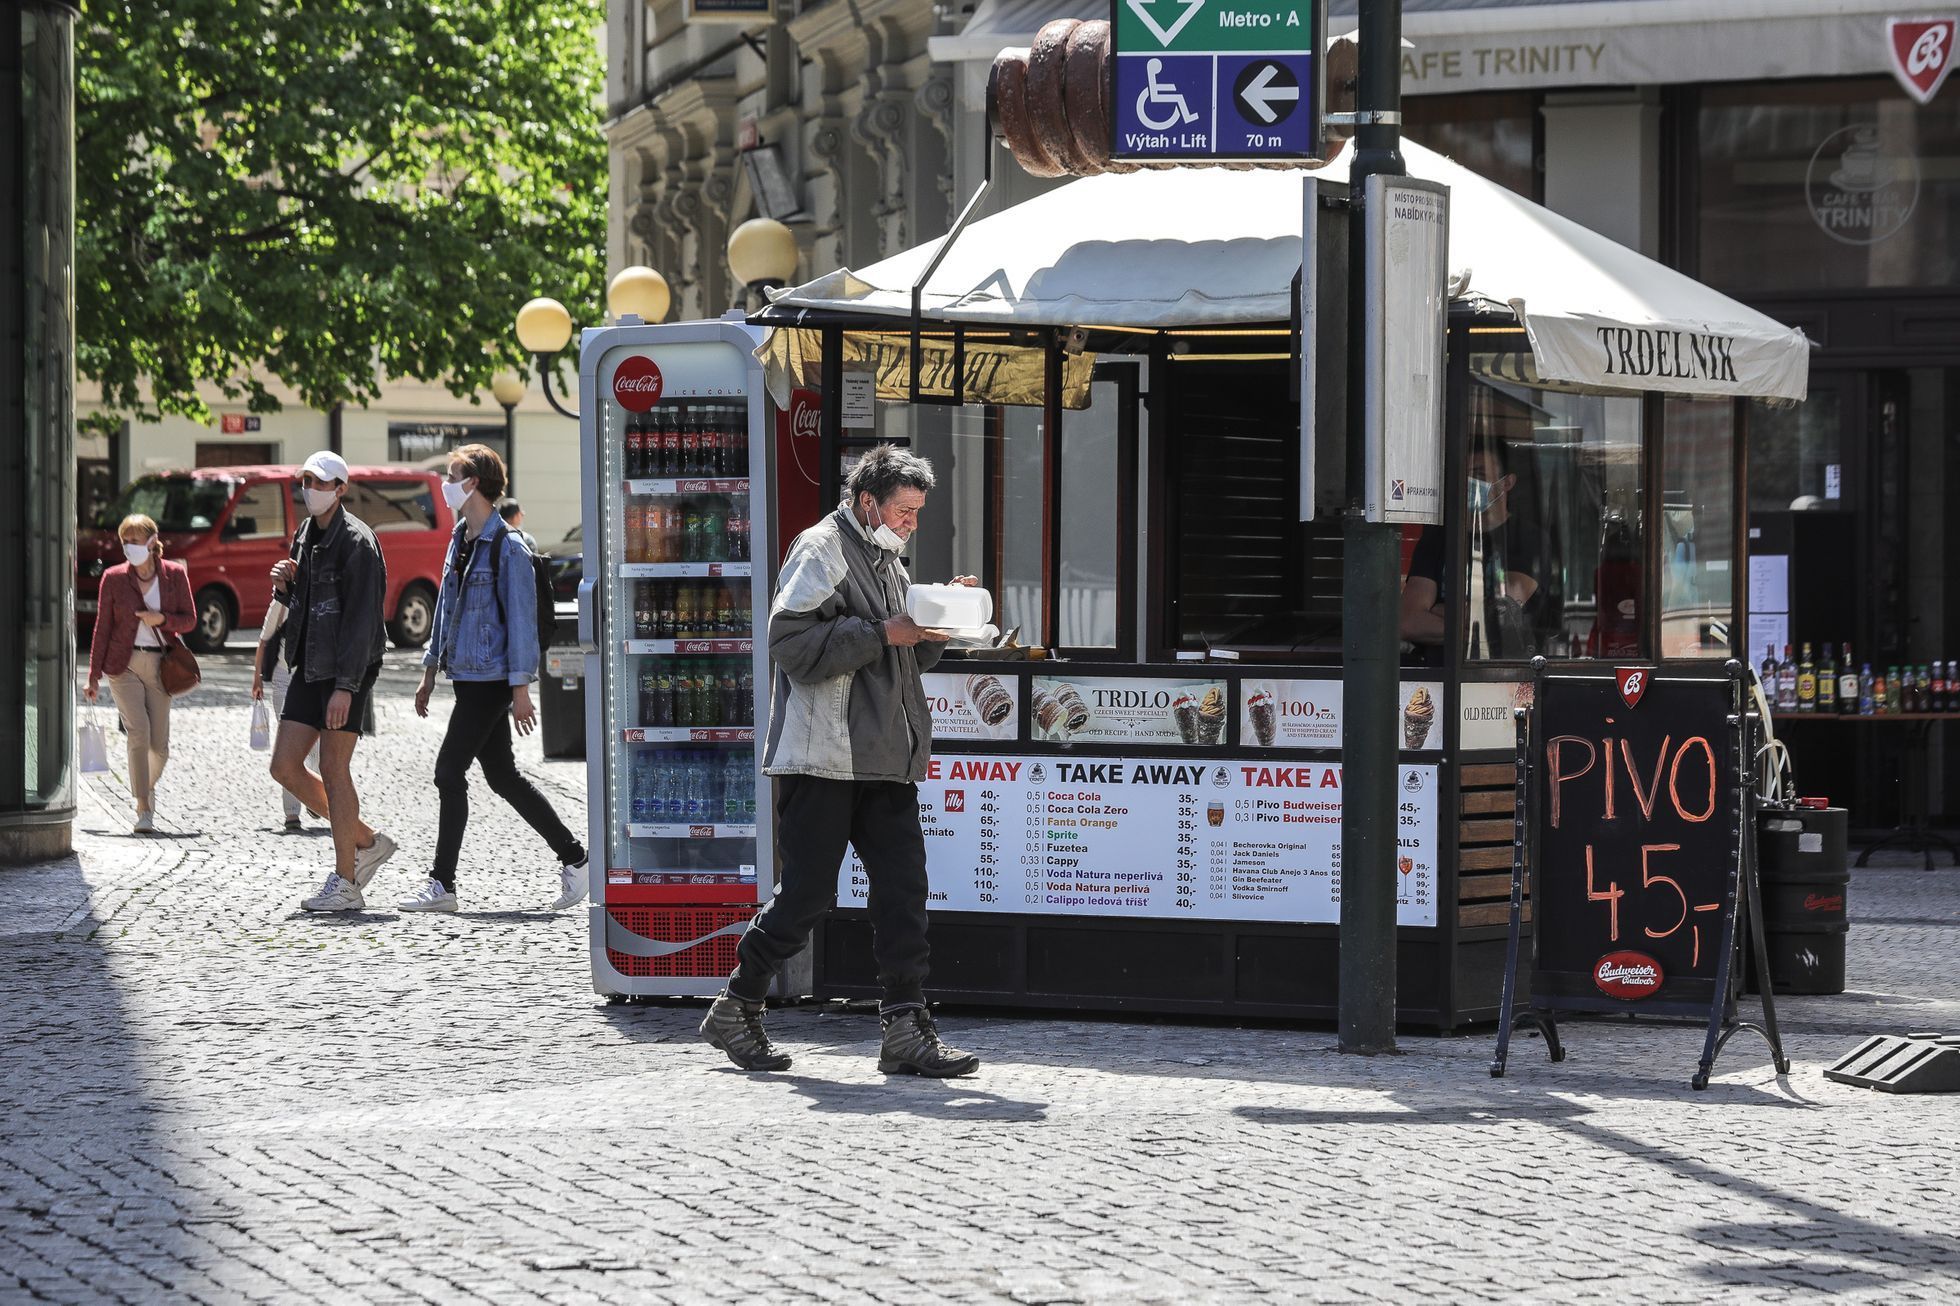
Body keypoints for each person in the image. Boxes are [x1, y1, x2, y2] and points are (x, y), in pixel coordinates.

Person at [700, 444, 980, 1078]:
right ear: (866, 503)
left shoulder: (888, 558)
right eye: (905, 511)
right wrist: (886, 633)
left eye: (917, 513)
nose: (912, 524)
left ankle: (906, 1029)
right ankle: (737, 1004)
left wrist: (937, 625)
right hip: (822, 757)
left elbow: (905, 656)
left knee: (904, 893)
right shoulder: (821, 549)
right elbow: (788, 641)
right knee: (805, 896)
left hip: (883, 758)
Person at [402, 444, 587, 913]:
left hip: (491, 681)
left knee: (449, 772)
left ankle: (442, 885)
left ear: (475, 483)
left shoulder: (509, 546)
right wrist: (428, 671)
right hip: (466, 674)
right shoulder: (460, 538)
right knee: (502, 776)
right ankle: (576, 859)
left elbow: (522, 622)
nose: (445, 483)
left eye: (452, 474)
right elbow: (445, 609)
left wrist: (521, 689)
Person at [269, 451, 398, 911]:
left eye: (321, 482)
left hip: (348, 668)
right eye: (306, 480)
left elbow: (364, 621)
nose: (311, 488)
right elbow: (307, 599)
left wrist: (346, 686)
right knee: (283, 766)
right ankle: (366, 840)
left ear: (341, 489)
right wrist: (285, 584)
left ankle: (346, 882)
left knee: (333, 769)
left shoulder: (359, 543)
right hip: (309, 662)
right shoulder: (306, 532)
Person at [85, 514, 195, 833]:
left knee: (159, 746)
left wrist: (161, 619)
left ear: (151, 541)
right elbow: (102, 627)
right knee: (139, 732)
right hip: (123, 665)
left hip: (161, 665)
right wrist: (93, 675)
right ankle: (143, 807)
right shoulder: (114, 578)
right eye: (125, 541)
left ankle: (144, 782)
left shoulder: (174, 574)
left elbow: (189, 620)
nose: (129, 547)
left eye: (134, 540)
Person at [1400, 441, 1548, 664]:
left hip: (1502, 678)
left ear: (1507, 482)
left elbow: (1499, 617)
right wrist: (1476, 620)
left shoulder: (1528, 538)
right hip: (1436, 678)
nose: (1470, 484)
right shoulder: (1439, 535)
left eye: (1479, 474)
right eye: (1464, 475)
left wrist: (1435, 610)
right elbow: (1407, 621)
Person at [250, 541, 322, 832]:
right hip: (283, 678)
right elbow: (264, 639)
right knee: (288, 746)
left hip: (312, 677)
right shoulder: (279, 605)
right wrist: (256, 678)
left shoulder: (316, 601)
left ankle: (314, 797)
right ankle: (292, 812)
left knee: (314, 746)